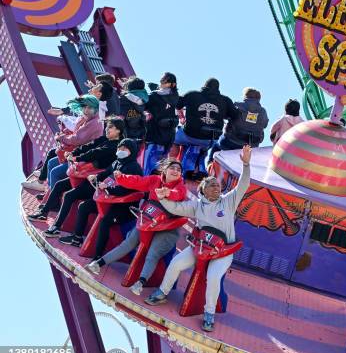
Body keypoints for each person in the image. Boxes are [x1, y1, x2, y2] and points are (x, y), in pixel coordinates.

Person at [144, 145, 252, 333]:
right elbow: (176, 209)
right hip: (201, 248)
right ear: (202, 190)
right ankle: (162, 292)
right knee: (176, 263)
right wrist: (162, 198)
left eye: (217, 184)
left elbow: (243, 184)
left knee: (213, 277)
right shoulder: (196, 206)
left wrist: (246, 164)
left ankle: (209, 315)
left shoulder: (228, 201)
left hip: (222, 252)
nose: (216, 187)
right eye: (211, 184)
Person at [84, 158, 187, 296]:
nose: (175, 171)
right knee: (128, 243)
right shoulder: (154, 180)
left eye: (178, 170)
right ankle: (99, 263)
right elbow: (137, 181)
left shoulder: (180, 186)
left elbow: (178, 194)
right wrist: (121, 177)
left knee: (153, 253)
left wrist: (167, 193)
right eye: (172, 168)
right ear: (165, 170)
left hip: (167, 227)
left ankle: (140, 283)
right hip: (149, 220)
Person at [28, 118, 125, 224]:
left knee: (69, 196)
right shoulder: (104, 139)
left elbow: (95, 152)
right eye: (107, 126)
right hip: (84, 175)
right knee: (59, 185)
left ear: (118, 131)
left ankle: (57, 226)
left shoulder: (115, 146)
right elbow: (89, 146)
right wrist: (74, 153)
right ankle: (43, 213)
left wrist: (77, 158)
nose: (107, 129)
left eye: (110, 127)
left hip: (96, 181)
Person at [54, 138, 143, 254]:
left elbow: (126, 190)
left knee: (105, 221)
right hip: (108, 199)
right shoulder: (116, 162)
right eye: (120, 148)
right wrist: (95, 178)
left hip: (123, 206)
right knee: (84, 206)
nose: (121, 150)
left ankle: (97, 255)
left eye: (125, 148)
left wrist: (107, 189)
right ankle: (77, 238)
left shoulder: (134, 168)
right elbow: (105, 173)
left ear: (132, 151)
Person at [22, 95, 103, 192]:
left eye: (89, 107)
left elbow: (77, 139)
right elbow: (76, 132)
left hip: (85, 158)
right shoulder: (87, 118)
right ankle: (47, 188)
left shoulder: (94, 123)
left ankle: (51, 197)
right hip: (78, 153)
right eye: (84, 107)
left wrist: (61, 138)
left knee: (55, 172)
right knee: (52, 162)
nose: (85, 110)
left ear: (95, 107)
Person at [174, 77, 237, 153]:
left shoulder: (192, 94)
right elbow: (234, 116)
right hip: (211, 139)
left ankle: (172, 161)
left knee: (174, 141)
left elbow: (177, 104)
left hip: (190, 135)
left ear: (204, 86)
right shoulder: (226, 100)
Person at [206, 87, 268, 165]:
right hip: (251, 146)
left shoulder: (238, 105)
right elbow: (265, 124)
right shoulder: (263, 112)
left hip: (231, 142)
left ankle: (210, 164)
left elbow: (226, 116)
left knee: (216, 145)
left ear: (246, 96)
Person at [143, 73, 180, 174]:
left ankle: (146, 182)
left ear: (171, 84)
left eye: (164, 81)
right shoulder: (176, 96)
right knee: (161, 165)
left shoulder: (154, 95)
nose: (162, 82)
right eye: (162, 80)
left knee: (147, 165)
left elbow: (144, 106)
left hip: (154, 133)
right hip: (169, 135)